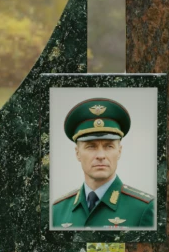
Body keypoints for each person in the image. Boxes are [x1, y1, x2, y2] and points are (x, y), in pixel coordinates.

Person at [52, 97, 154, 229]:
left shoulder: (143, 209)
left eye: (109, 146)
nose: (101, 156)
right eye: (91, 146)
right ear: (77, 153)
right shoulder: (57, 211)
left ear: (119, 151)